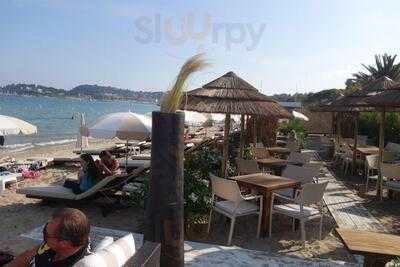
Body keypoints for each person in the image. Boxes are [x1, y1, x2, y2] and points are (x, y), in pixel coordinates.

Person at [5, 208, 90, 267]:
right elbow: (27, 256)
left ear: (63, 243)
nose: (44, 234)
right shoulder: (56, 244)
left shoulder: (75, 263)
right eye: (46, 227)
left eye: (46, 233)